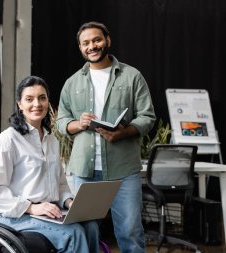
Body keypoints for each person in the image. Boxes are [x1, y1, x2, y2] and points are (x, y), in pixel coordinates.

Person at [56, 21, 156, 253]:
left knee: (130, 231)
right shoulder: (72, 83)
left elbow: (147, 117)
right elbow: (61, 122)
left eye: (97, 40)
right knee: (86, 232)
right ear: (80, 47)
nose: (92, 46)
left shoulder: (132, 76)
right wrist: (77, 124)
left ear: (107, 40)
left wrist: (124, 132)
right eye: (86, 43)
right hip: (85, 171)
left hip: (124, 170)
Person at [0, 75, 100, 253]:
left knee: (91, 226)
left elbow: (59, 183)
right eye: (29, 99)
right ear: (19, 105)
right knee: (73, 234)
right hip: (15, 215)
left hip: (48, 211)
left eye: (42, 98)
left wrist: (69, 202)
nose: (37, 104)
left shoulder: (52, 140)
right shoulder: (9, 139)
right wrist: (32, 207)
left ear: (47, 102)